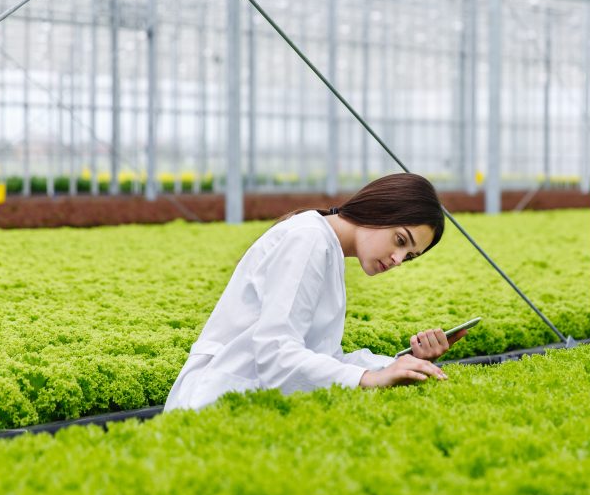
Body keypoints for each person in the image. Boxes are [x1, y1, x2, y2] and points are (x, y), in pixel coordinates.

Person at [164, 173, 468, 412]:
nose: (397, 260)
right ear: (380, 210)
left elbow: (323, 358)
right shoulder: (308, 238)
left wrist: (401, 364)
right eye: (401, 241)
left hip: (244, 401)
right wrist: (369, 378)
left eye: (409, 256)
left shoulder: (325, 245)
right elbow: (276, 353)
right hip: (212, 401)